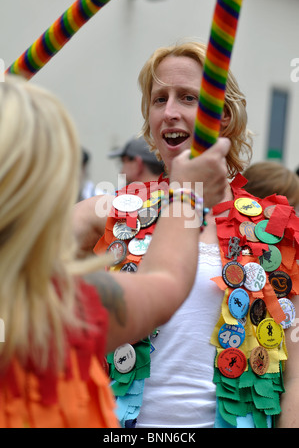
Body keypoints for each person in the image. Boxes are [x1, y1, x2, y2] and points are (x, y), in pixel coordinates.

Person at [76, 40, 299, 429]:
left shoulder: (276, 229)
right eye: (159, 99)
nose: (170, 112)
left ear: (224, 117)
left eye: (188, 98)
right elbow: (32, 234)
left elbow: (295, 375)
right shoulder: (116, 210)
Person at [0, 75, 229, 428]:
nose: (170, 112)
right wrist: (188, 194)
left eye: (187, 98)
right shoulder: (56, 303)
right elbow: (164, 283)